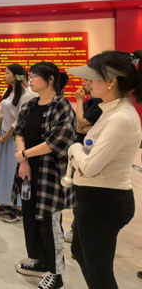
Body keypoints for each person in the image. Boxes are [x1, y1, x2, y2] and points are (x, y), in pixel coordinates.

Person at [66, 51, 142, 289]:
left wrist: (75, 148)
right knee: (81, 253)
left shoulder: (121, 118)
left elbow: (89, 166)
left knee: (99, 271)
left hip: (105, 201)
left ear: (111, 81)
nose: (87, 83)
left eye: (92, 78)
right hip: (94, 198)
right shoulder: (111, 111)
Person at [13, 62, 75, 289]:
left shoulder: (62, 106)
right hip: (27, 171)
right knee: (30, 217)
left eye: (35, 75)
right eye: (30, 75)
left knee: (49, 222)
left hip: (50, 174)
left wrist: (24, 155)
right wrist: (24, 161)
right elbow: (19, 131)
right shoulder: (30, 104)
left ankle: (56, 274)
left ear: (50, 79)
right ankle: (38, 260)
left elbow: (58, 141)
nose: (31, 79)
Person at [0, 65, 37, 223]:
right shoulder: (7, 91)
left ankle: (18, 207)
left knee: (15, 172)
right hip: (3, 136)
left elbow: (19, 120)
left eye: (7, 73)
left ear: (17, 76)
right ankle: (6, 202)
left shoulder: (26, 95)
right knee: (4, 171)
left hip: (14, 138)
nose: (4, 75)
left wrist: (4, 138)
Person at [63, 79, 103, 242]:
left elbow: (80, 123)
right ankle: (76, 229)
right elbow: (78, 126)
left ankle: (78, 231)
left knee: (84, 196)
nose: (83, 84)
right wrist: (81, 124)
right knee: (77, 194)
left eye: (88, 81)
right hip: (78, 151)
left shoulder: (98, 104)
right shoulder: (89, 102)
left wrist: (79, 100)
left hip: (88, 154)